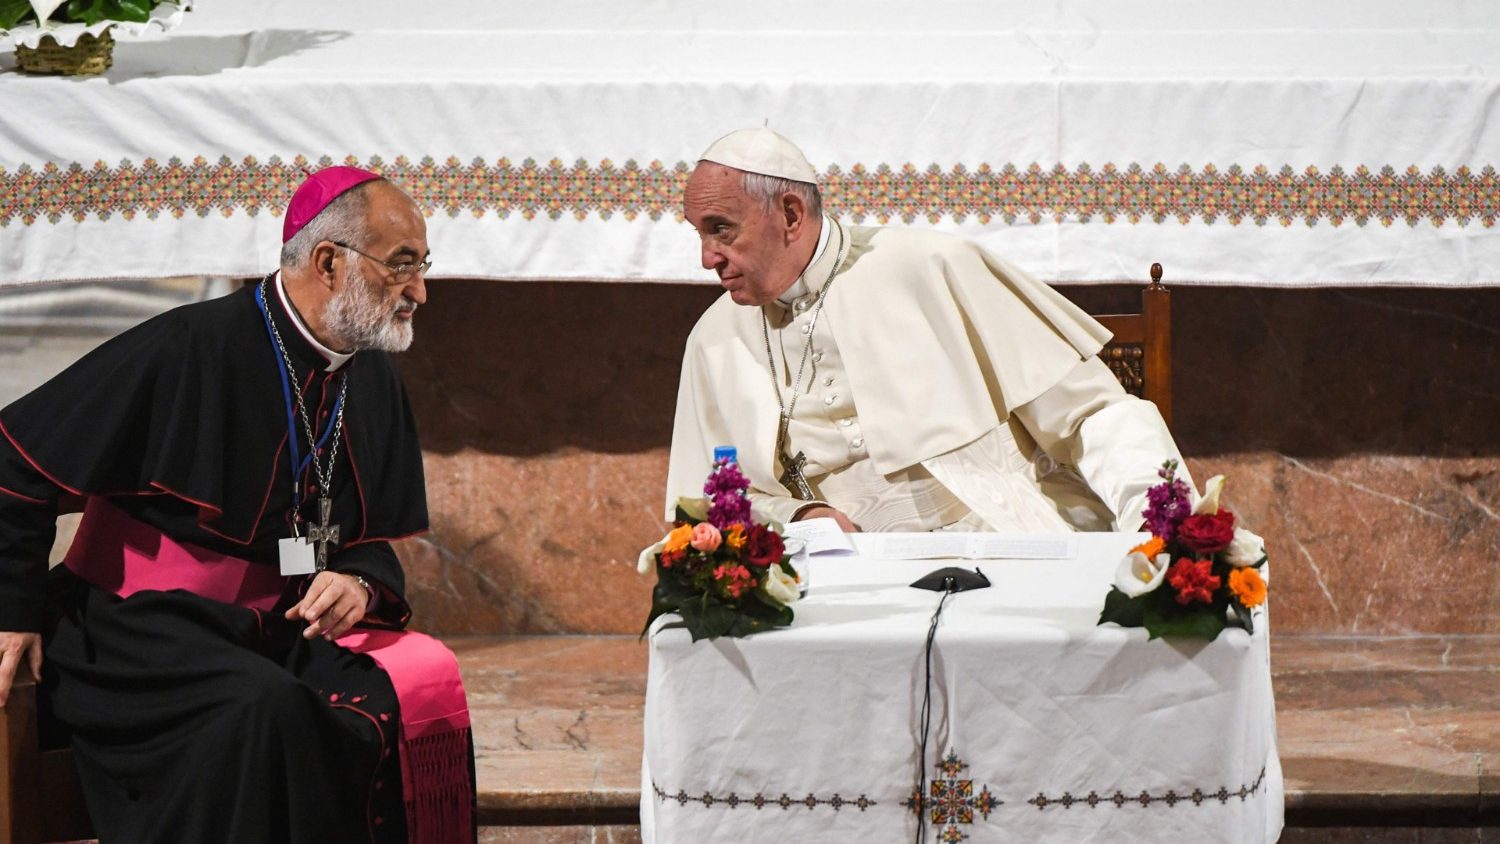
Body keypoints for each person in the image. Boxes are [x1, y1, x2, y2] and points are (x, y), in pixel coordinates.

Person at [0, 168, 474, 843]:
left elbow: (364, 538)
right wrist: (9, 611)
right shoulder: (189, 346)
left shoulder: (369, 375)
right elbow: (15, 459)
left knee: (393, 696)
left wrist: (359, 582)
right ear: (329, 262)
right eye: (401, 268)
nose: (420, 292)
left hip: (276, 626)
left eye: (422, 267)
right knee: (265, 708)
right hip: (139, 629)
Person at [666, 127, 1190, 533]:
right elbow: (708, 504)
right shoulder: (714, 339)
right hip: (831, 578)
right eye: (700, 233)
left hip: (997, 538)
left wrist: (1165, 527)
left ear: (791, 214)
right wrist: (798, 519)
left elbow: (1094, 416)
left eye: (721, 229)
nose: (707, 257)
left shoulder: (932, 265)